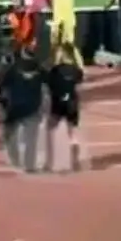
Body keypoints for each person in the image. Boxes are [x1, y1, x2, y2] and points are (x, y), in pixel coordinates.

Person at [0, 47, 45, 173]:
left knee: (9, 135)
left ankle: (15, 161)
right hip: (33, 107)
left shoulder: (12, 69)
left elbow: (0, 86)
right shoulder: (40, 70)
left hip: (14, 108)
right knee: (31, 139)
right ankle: (30, 165)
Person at [45, 42, 85, 171]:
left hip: (58, 103)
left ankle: (49, 162)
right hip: (71, 103)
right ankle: (75, 161)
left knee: (49, 130)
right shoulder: (76, 71)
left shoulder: (54, 70)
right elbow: (79, 83)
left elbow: (49, 87)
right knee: (72, 133)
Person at [51, 0, 82, 68]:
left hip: (65, 22)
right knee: (60, 47)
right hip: (61, 21)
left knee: (69, 46)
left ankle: (80, 68)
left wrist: (60, 23)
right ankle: (57, 67)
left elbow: (66, 5)